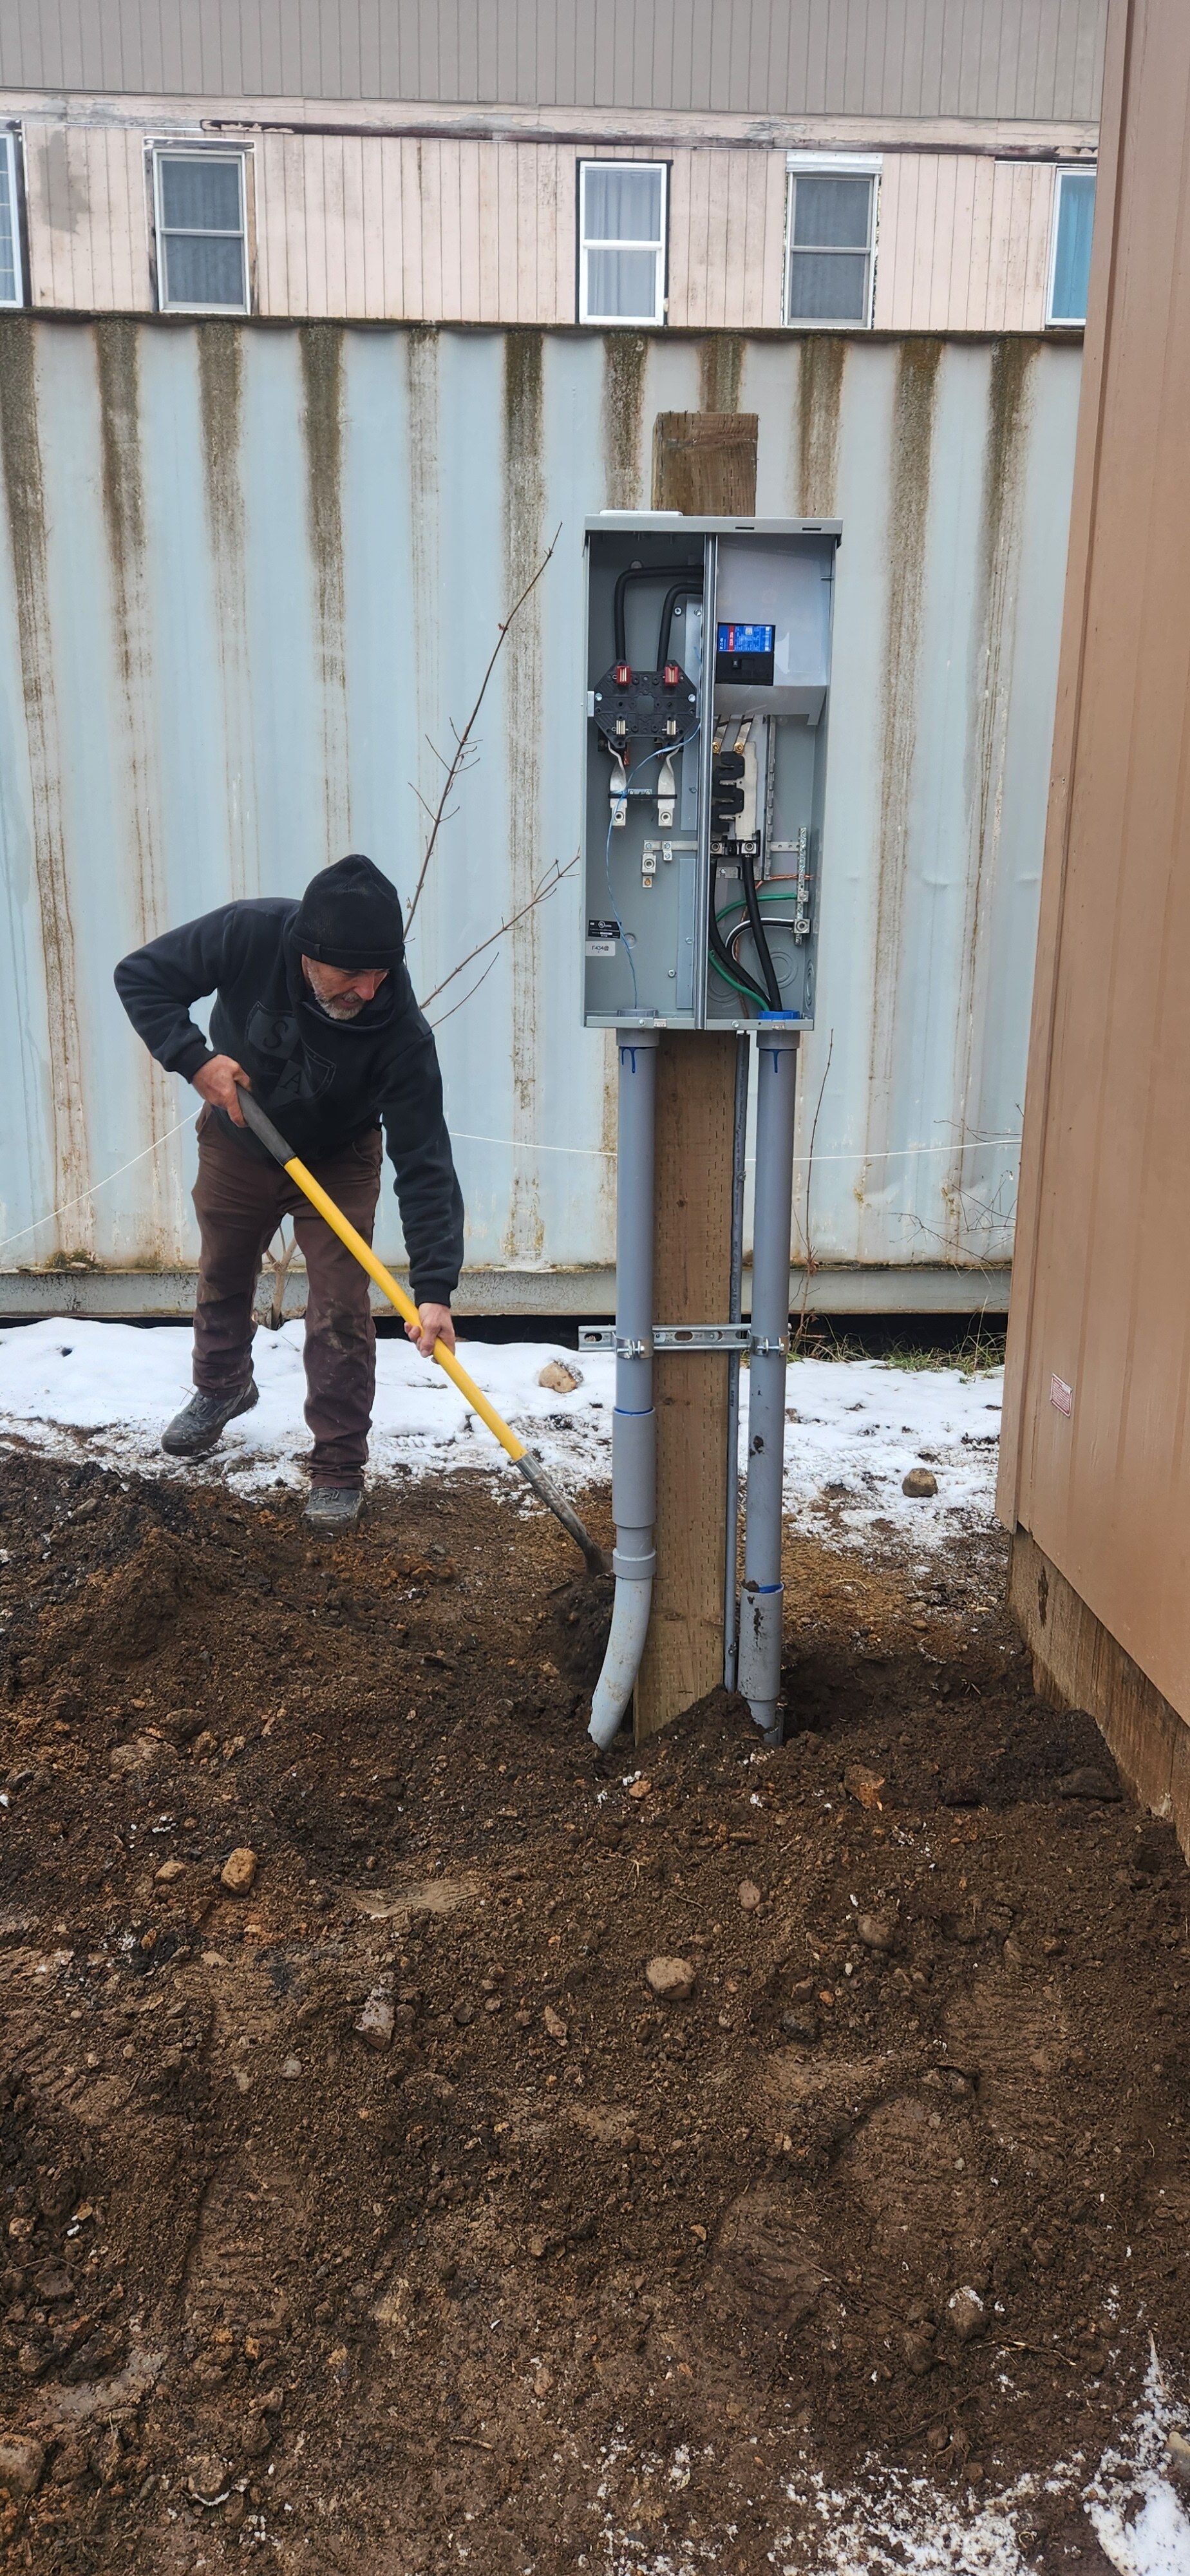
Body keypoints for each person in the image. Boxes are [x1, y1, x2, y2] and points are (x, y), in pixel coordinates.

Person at [115, 853, 464, 1533]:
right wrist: (196, 1060)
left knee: (339, 1309)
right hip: (240, 1138)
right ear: (308, 953)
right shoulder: (250, 933)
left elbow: (426, 1159)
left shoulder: (399, 1030)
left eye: (381, 973)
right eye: (352, 974)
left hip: (337, 1159)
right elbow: (142, 977)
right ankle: (222, 1387)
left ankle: (338, 1464)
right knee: (224, 1269)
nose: (369, 990)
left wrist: (435, 1288)